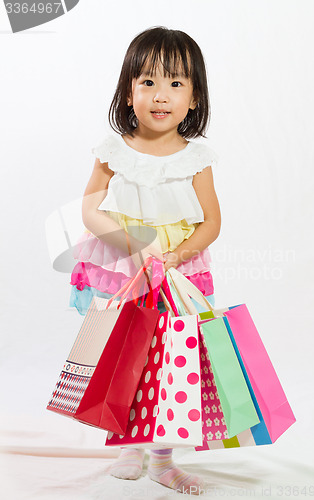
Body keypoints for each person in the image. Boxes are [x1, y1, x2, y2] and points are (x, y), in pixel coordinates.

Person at [69, 26, 221, 495]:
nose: (161, 95)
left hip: (176, 272)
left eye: (176, 83)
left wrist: (176, 256)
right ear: (128, 91)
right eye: (148, 81)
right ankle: (127, 445)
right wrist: (134, 243)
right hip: (125, 267)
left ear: (194, 98)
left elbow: (211, 223)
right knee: (123, 354)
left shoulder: (195, 159)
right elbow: (90, 209)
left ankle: (163, 457)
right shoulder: (114, 150)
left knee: (171, 358)